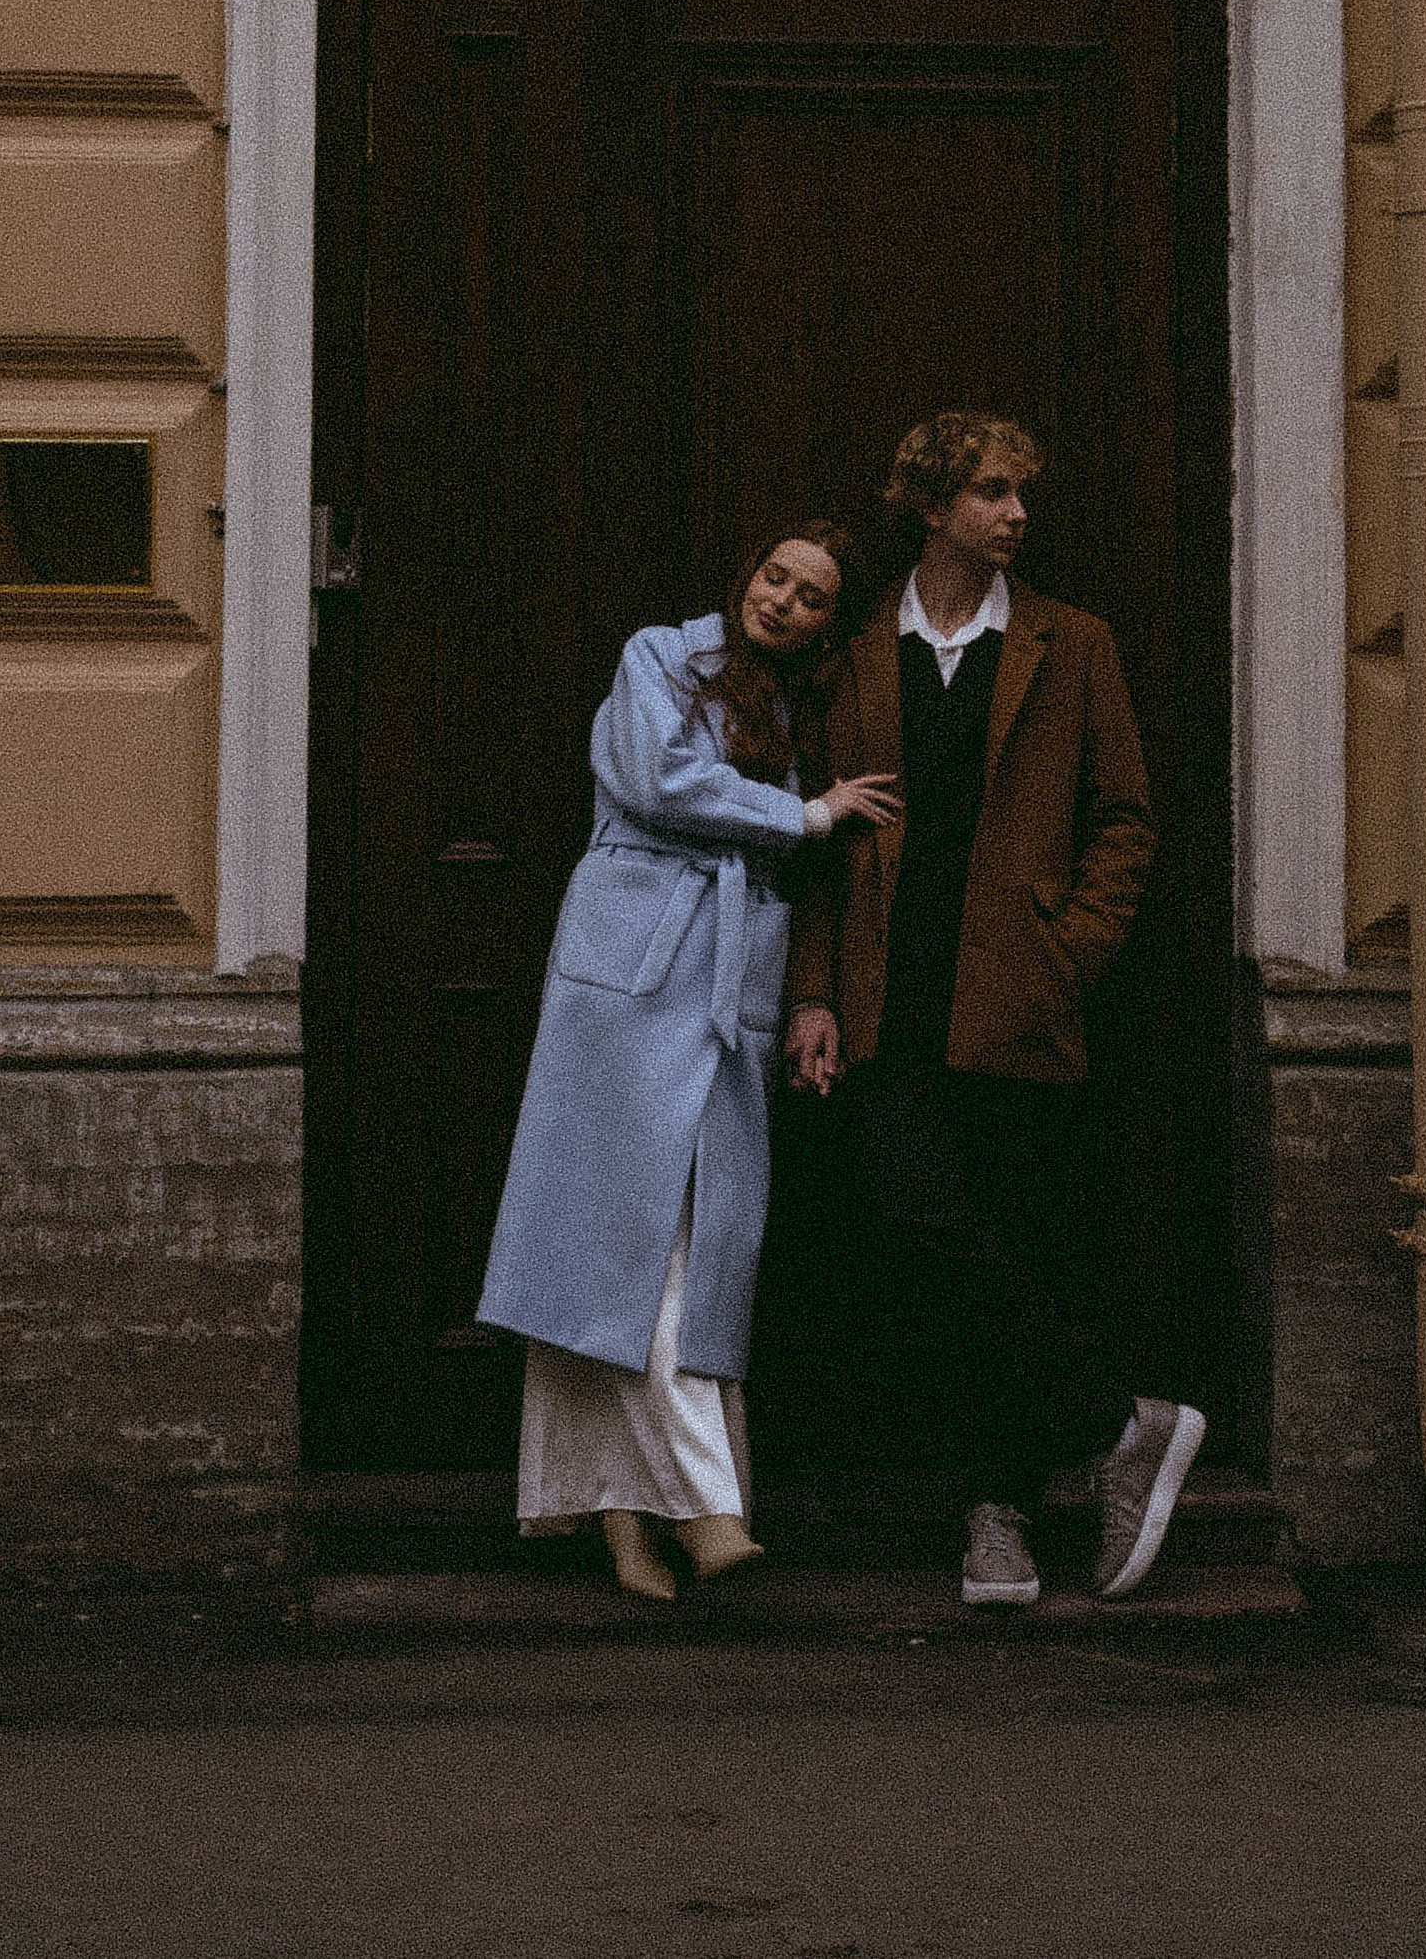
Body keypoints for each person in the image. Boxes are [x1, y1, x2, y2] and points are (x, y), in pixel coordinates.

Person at [784, 410, 1204, 1608]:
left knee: (1011, 1249)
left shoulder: (1072, 645)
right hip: (882, 996)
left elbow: (1124, 818)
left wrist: (1066, 950)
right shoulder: (858, 647)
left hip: (1016, 1000)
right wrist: (810, 990)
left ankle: (998, 1520)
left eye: (1022, 492)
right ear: (931, 507)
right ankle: (1122, 1424)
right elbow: (813, 842)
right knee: (921, 1227)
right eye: (993, 493)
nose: (1017, 513)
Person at [477, 524, 899, 1602]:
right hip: (630, 972)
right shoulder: (661, 653)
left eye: (811, 598)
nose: (783, 603)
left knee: (698, 1238)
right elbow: (654, 775)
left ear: (828, 623)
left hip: (729, 976)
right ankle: (705, 1507)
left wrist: (810, 994)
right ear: (745, 575)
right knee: (615, 1240)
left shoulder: (808, 707)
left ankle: (624, 1508)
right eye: (774, 577)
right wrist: (798, 814)